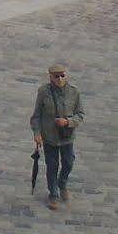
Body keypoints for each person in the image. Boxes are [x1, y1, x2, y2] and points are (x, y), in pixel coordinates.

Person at [30, 63, 83, 210]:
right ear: (51, 77)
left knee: (69, 162)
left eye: (62, 76)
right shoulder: (44, 92)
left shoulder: (74, 92)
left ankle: (63, 183)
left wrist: (68, 122)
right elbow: (36, 116)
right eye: (56, 76)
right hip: (50, 137)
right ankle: (53, 193)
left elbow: (80, 115)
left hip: (67, 136)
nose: (60, 79)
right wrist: (37, 133)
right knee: (52, 166)